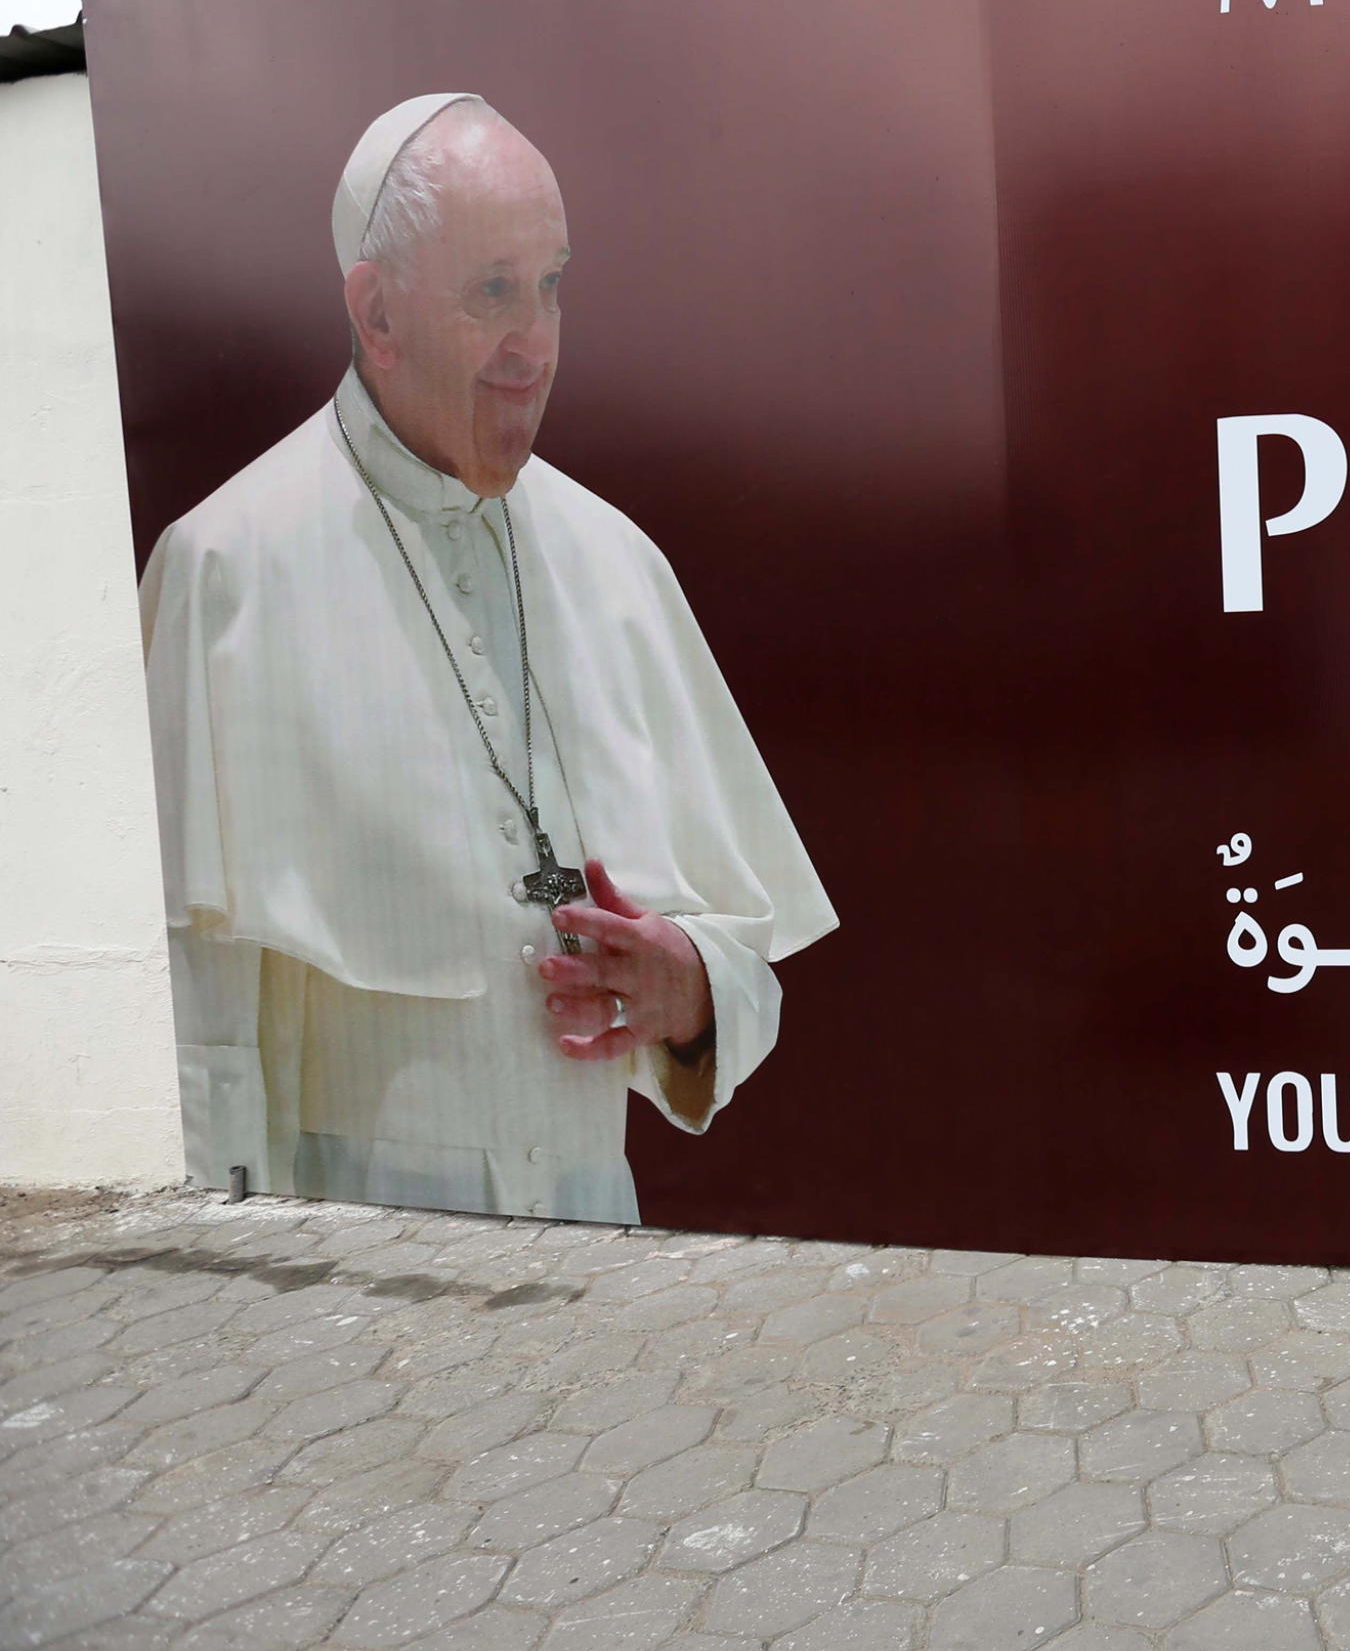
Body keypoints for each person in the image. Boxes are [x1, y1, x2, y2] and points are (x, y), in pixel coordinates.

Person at [141, 93, 836, 1225]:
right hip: (352, 1245)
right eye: (493, 292)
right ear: (376, 313)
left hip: (589, 1228)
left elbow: (743, 952)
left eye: (553, 284)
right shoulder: (228, 568)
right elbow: (198, 1015)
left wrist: (690, 987)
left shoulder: (615, 558)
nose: (537, 344)